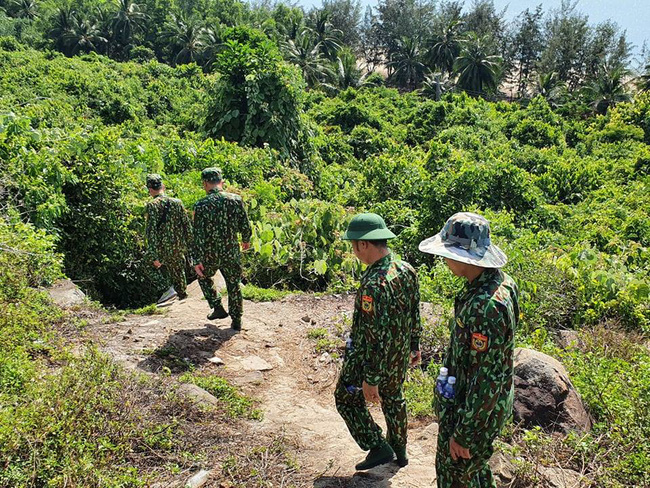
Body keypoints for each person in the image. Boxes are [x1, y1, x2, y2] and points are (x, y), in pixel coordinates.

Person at [419, 212, 519, 488]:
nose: (444, 259)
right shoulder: (500, 283)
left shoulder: (486, 305)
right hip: (475, 407)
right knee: (473, 473)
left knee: (453, 474)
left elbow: (488, 377)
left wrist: (465, 433)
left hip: (473, 413)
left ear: (464, 256)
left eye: (447, 252)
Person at [335, 212, 422, 471]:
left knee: (345, 396)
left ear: (364, 244)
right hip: (397, 352)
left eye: (354, 246)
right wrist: (414, 345)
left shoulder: (374, 283)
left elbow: (373, 336)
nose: (354, 252)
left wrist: (370, 377)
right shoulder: (406, 269)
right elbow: (414, 311)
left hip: (369, 356)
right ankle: (400, 449)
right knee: (394, 396)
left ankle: (378, 445)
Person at [193, 167, 251, 331]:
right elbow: (245, 225)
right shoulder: (235, 200)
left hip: (209, 253)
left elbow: (197, 235)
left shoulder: (200, 205)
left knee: (202, 276)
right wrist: (245, 240)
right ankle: (237, 320)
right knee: (234, 284)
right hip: (231, 251)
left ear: (205, 184)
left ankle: (217, 306)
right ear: (221, 182)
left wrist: (196, 259)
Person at [144, 173, 193, 301]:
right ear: (163, 187)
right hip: (178, 247)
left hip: (162, 248)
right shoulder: (177, 202)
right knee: (178, 271)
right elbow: (187, 226)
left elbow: (151, 232)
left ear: (149, 190)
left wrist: (153, 255)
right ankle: (182, 296)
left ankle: (166, 289)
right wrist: (191, 247)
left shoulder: (152, 205)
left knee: (146, 264)